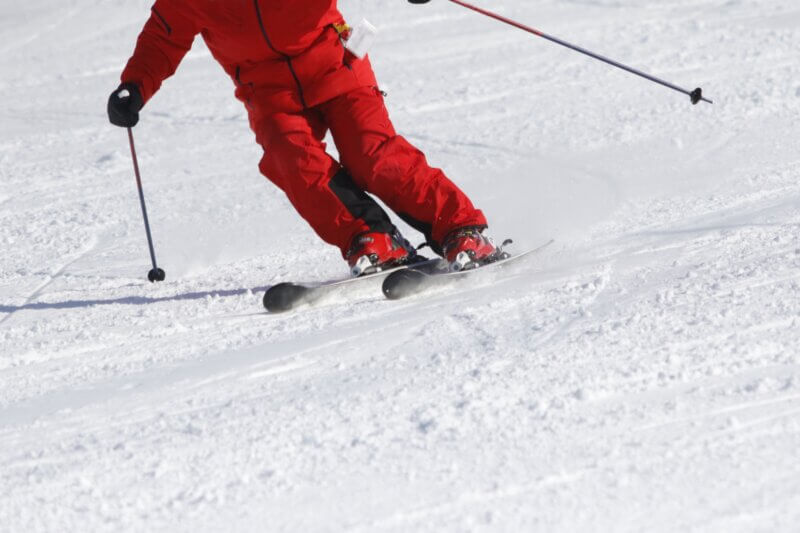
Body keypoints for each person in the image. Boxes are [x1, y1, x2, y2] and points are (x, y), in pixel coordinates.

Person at [108, 0, 499, 275]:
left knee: (372, 156)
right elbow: (163, 37)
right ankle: (372, 237)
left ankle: (460, 228)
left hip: (334, 63)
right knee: (293, 161)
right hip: (268, 91)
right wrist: (135, 86)